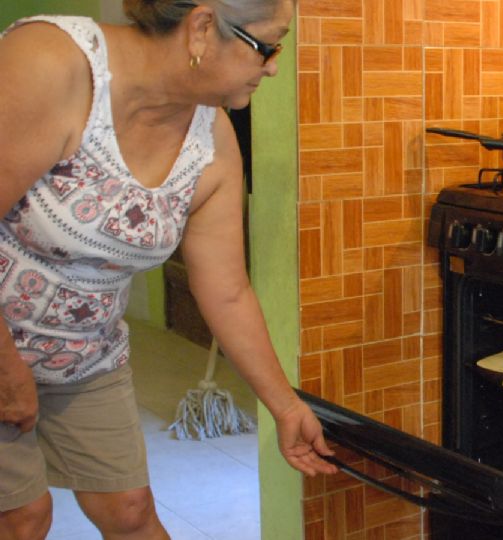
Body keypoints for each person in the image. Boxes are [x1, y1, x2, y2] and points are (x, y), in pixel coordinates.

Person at [0, 1, 337, 538]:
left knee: (129, 511)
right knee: (22, 518)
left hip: (84, 354)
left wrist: (285, 405)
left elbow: (227, 290)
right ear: (202, 28)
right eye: (267, 45)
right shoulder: (52, 63)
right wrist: (7, 367)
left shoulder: (212, 141)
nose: (273, 64)